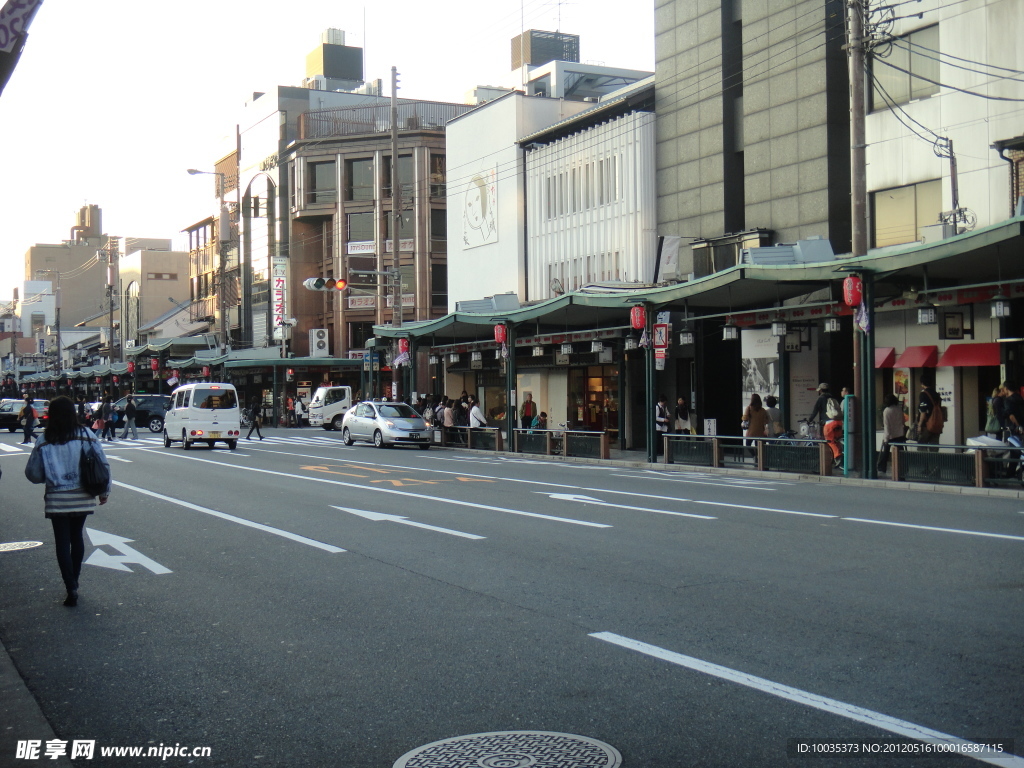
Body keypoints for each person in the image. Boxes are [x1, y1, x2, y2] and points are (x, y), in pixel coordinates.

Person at [24, 395, 111, 607]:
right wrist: (104, 491)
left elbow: (33, 474)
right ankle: (76, 579)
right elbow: (103, 464)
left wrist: (50, 475)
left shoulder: (45, 439)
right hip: (82, 495)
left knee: (62, 542)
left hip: (57, 497)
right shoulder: (86, 434)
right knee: (77, 537)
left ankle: (69, 585)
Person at [877, 394, 905, 474]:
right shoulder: (899, 409)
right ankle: (904, 468)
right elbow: (903, 421)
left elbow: (887, 426)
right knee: (901, 452)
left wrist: (886, 438)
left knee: (885, 452)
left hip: (891, 435)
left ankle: (882, 468)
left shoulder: (886, 411)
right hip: (899, 434)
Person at [917, 374, 944, 451]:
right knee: (934, 447)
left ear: (922, 383)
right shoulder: (936, 394)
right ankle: (934, 462)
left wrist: (920, 424)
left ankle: (924, 463)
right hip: (937, 424)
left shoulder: (923, 394)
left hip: (926, 425)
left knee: (922, 446)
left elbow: (923, 411)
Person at [742, 394, 770, 458]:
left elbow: (745, 418)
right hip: (760, 431)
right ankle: (758, 459)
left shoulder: (749, 408)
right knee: (758, 446)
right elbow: (766, 421)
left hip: (751, 431)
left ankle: (754, 456)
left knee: (748, 444)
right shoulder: (763, 410)